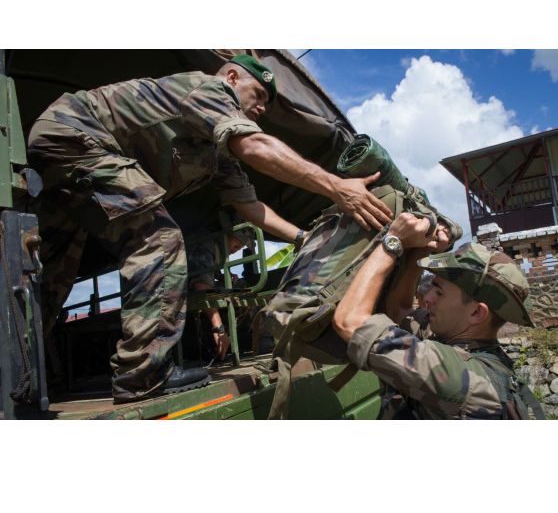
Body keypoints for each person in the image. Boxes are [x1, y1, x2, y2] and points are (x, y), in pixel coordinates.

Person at [27, 54, 392, 404]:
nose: (263, 108)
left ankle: (21, 366)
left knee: (52, 270)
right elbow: (254, 145)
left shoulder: (219, 153)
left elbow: (250, 207)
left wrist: (303, 238)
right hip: (74, 134)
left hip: (68, 157)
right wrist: (337, 187)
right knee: (159, 239)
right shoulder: (209, 90)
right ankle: (141, 375)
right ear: (232, 78)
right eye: (259, 95)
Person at [332, 213, 542, 419]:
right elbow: (402, 311)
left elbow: (349, 321)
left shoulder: (457, 376)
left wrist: (393, 242)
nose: (428, 298)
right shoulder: (461, 340)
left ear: (477, 312)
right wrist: (420, 251)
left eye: (439, 292)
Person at [187, 225, 254, 361]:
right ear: (225, 235)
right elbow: (201, 286)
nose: (235, 251)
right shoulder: (207, 243)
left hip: (191, 291)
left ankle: (230, 348)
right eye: (236, 245)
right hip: (182, 295)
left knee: (244, 289)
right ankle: (215, 350)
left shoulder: (218, 248)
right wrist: (218, 327)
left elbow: (210, 274)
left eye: (239, 248)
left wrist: (225, 276)